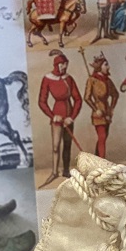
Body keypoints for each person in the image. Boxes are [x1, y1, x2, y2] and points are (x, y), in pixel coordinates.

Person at [38, 52, 82, 180]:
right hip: (56, 116)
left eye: (66, 64)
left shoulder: (69, 79)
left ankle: (66, 170)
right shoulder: (47, 78)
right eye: (62, 64)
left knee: (67, 145)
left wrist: (71, 117)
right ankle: (54, 172)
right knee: (56, 146)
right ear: (56, 64)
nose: (64, 67)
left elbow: (78, 99)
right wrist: (52, 116)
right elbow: (42, 101)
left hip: (68, 115)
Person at [84, 54, 119, 156]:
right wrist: (96, 109)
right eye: (106, 65)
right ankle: (102, 161)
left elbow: (115, 95)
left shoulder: (108, 80)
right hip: (98, 112)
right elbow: (87, 98)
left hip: (107, 112)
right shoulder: (92, 80)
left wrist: (111, 109)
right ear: (100, 66)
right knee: (102, 137)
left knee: (103, 137)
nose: (108, 67)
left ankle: (97, 157)